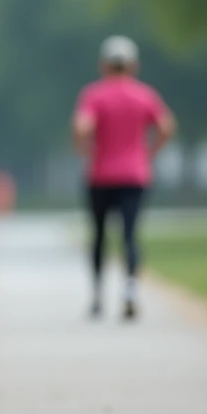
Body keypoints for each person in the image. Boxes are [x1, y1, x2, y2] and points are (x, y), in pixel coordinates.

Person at [72, 36, 176, 320]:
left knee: (99, 235)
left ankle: (97, 295)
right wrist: (150, 152)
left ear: (103, 65)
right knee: (130, 236)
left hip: (101, 175)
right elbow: (166, 126)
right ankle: (130, 290)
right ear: (133, 65)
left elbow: (82, 128)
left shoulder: (94, 95)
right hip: (134, 174)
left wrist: (85, 149)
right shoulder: (144, 95)